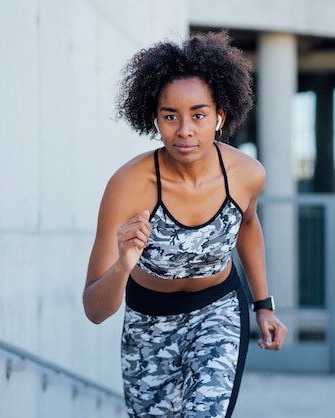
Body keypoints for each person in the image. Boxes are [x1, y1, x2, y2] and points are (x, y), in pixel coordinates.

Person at [83, 31, 288, 418]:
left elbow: (246, 225)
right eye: (170, 116)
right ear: (154, 119)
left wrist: (263, 305)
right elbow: (94, 308)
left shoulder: (246, 174)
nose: (185, 130)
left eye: (198, 114)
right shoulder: (129, 186)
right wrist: (124, 264)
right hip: (148, 324)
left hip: (219, 313)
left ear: (219, 117)